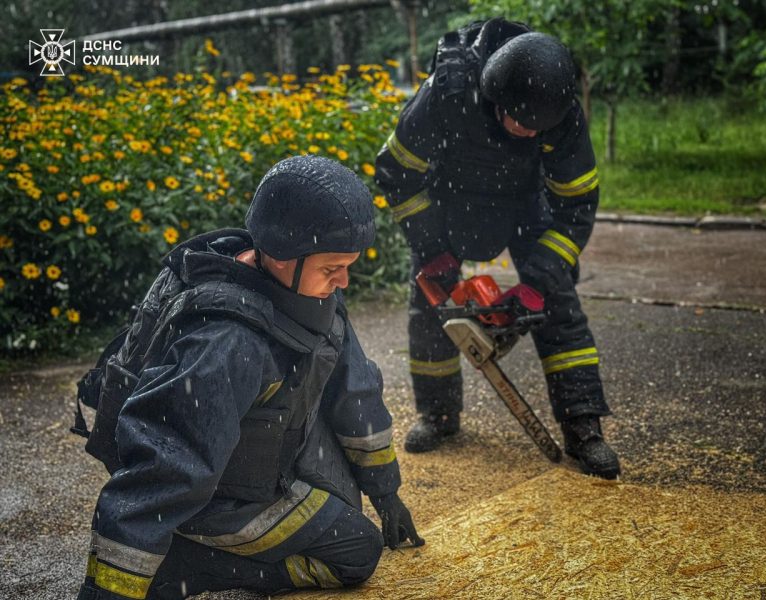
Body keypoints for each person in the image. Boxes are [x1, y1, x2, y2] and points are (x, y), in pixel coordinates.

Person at [76, 156, 423, 600]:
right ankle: (190, 567)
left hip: (255, 465)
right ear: (281, 256)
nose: (345, 281)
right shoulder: (227, 342)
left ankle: (194, 559)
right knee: (357, 552)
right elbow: (167, 463)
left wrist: (386, 491)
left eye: (348, 265)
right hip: (216, 501)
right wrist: (112, 587)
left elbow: (355, 394)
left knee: (349, 519)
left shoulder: (312, 298)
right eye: (333, 267)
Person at [374, 17, 620, 478]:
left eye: (538, 127)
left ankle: (584, 426)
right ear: (496, 97)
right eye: (522, 123)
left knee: (559, 303)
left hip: (527, 204)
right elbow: (396, 171)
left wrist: (542, 275)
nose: (530, 133)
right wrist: (432, 251)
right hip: (449, 202)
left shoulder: (557, 108)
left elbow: (576, 205)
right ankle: (439, 416)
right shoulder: (447, 92)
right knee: (430, 306)